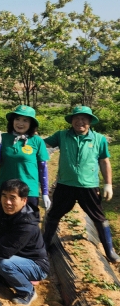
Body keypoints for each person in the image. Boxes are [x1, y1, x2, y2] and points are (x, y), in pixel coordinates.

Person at [42, 106, 120, 263]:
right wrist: (30, 137)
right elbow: (44, 145)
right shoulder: (62, 135)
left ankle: (109, 251)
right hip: (65, 185)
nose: (80, 121)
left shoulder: (99, 139)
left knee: (98, 217)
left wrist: (108, 184)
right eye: (76, 118)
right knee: (53, 215)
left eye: (84, 118)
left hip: (89, 186)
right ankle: (43, 246)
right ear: (72, 121)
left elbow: (104, 161)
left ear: (90, 122)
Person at [0, 105, 49, 212]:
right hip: (7, 190)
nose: (20, 123)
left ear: (31, 124)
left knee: (27, 224)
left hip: (29, 190)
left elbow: (42, 167)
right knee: (7, 223)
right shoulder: (4, 138)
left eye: (25, 120)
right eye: (17, 119)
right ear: (12, 121)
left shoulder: (37, 141)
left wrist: (45, 192)